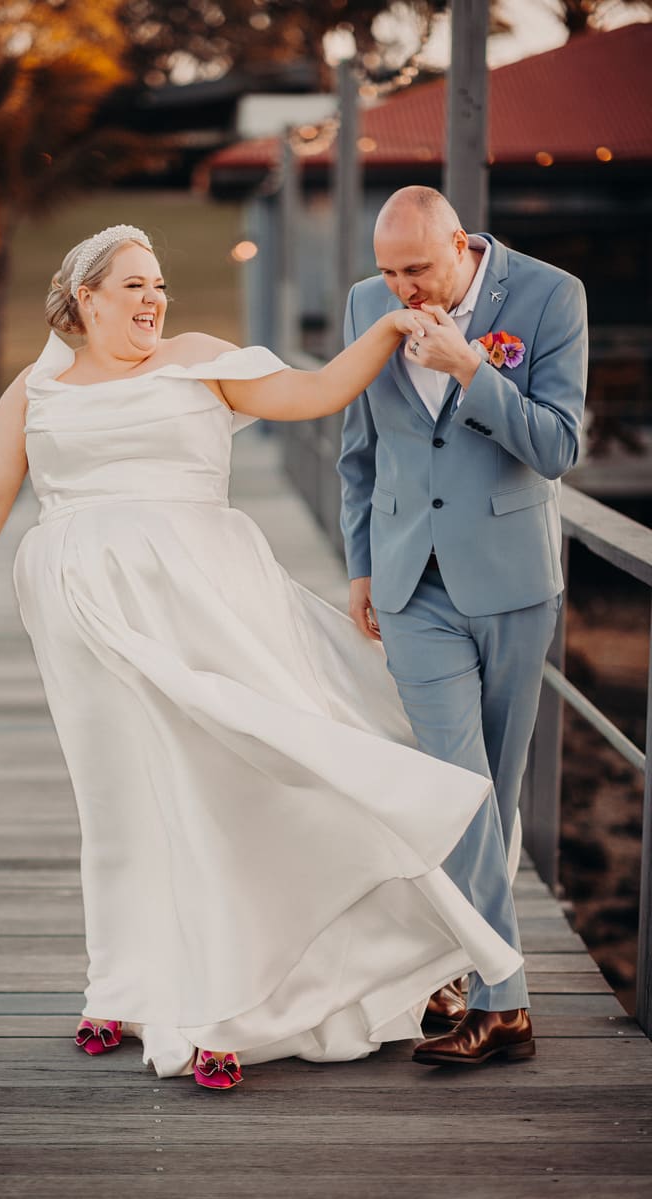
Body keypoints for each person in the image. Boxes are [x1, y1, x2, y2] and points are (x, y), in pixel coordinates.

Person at [0, 222, 524, 1091]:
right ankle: (124, 985)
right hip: (87, 619)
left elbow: (316, 393)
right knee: (124, 799)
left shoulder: (200, 358)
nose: (152, 299)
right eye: (132, 285)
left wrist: (391, 330)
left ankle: (231, 1006)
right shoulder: (36, 388)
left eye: (158, 282)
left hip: (207, 606)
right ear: (84, 297)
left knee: (225, 790)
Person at [338, 186, 588, 1066]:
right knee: (458, 782)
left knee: (496, 790)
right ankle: (505, 1000)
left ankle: (455, 965)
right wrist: (361, 562)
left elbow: (558, 446)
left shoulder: (551, 297)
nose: (402, 288)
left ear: (461, 245)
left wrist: (472, 370)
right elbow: (358, 449)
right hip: (412, 583)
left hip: (514, 581)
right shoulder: (368, 304)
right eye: (388, 271)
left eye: (418, 269)